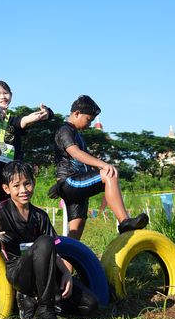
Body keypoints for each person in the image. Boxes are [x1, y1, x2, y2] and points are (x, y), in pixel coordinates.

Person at [0, 161, 98, 319]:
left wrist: (66, 273)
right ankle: (44, 311)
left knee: (89, 304)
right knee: (44, 241)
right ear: (6, 189)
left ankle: (35, 302)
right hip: (18, 272)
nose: (23, 190)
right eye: (16, 186)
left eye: (27, 183)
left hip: (45, 271)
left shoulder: (40, 216)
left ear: (34, 183)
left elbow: (54, 251)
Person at [49, 95, 148, 241]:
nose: (89, 124)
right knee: (109, 174)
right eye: (88, 120)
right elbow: (75, 153)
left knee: (76, 230)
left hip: (77, 184)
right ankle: (124, 222)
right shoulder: (65, 130)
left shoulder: (77, 135)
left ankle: (63, 256)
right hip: (70, 181)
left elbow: (86, 161)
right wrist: (103, 165)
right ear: (77, 113)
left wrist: (97, 169)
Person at [0, 80, 53, 220]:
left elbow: (25, 121)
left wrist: (42, 115)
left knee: (8, 213)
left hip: (10, 177)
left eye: (5, 93)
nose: (2, 96)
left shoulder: (14, 120)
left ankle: (5, 234)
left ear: (11, 95)